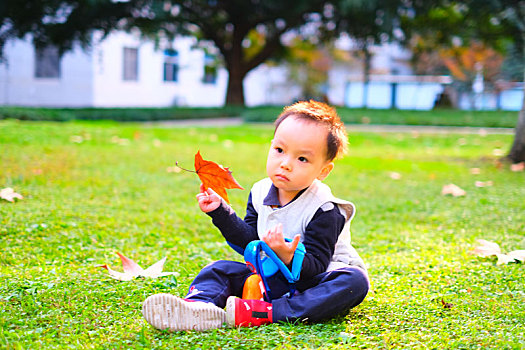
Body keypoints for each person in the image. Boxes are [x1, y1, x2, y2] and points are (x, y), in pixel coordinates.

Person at [142, 100, 369, 331]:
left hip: (313, 283)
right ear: (271, 146)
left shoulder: (325, 209)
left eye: (302, 159)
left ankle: (267, 312)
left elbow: (318, 266)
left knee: (355, 282)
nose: (285, 164)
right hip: (270, 277)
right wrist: (220, 212)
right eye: (279, 150)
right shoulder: (261, 191)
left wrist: (288, 256)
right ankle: (199, 307)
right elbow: (249, 240)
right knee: (218, 269)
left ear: (323, 171)